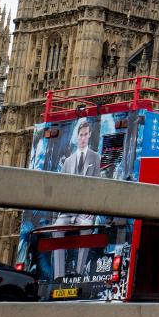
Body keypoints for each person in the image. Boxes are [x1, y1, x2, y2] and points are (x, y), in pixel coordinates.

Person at [51, 117, 101, 276]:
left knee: (85, 230)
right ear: (77, 137)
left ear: (89, 136)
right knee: (56, 230)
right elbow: (62, 189)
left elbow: (98, 187)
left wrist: (91, 210)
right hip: (68, 211)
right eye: (81, 135)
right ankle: (59, 275)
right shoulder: (68, 161)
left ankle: (79, 272)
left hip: (86, 211)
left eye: (86, 134)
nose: (83, 138)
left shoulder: (96, 158)